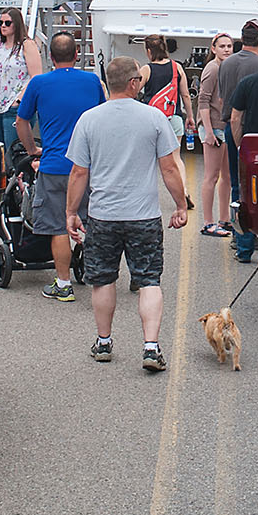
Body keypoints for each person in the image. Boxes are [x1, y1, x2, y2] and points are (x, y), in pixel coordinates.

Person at [66, 56, 189, 371]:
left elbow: (79, 172)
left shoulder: (89, 119)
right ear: (134, 82)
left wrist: (71, 212)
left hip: (103, 215)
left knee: (103, 280)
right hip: (143, 215)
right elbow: (169, 168)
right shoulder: (153, 117)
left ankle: (104, 341)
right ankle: (150, 347)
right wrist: (179, 205)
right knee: (149, 280)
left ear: (109, 83)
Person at [17, 32, 106, 303]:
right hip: (87, 165)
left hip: (54, 165)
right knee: (90, 220)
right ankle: (96, 275)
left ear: (51, 57)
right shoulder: (92, 81)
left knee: (58, 225)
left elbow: (22, 122)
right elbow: (102, 116)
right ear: (77, 55)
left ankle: (63, 284)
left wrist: (33, 149)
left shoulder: (39, 83)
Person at [218, 24, 258, 262]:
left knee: (236, 185)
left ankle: (240, 238)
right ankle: (255, 235)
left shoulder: (226, 63)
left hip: (230, 125)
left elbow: (222, 97)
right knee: (257, 187)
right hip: (253, 127)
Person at [194, 33, 236, 237]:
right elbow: (203, 101)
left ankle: (224, 218)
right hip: (214, 127)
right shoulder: (212, 69)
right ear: (213, 49)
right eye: (222, 46)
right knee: (211, 176)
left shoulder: (227, 67)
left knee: (227, 176)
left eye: (229, 46)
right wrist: (209, 132)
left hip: (225, 125)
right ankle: (208, 222)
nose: (227, 49)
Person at [0, 7, 43, 153]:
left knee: (14, 150)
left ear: (16, 24)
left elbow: (36, 77)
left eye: (7, 23)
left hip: (15, 104)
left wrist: (19, 99)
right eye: (0, 22)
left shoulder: (27, 45)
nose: (3, 26)